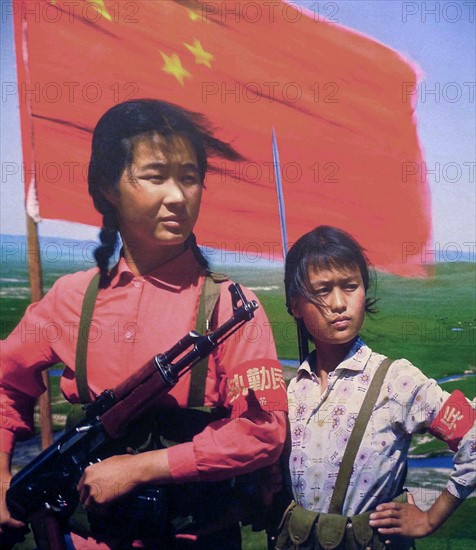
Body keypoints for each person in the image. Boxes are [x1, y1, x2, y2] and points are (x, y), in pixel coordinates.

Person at [0, 99, 287, 549]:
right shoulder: (71, 299)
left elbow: (262, 431)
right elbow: (6, 383)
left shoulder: (234, 308)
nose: (177, 196)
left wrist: (139, 468)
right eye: (155, 176)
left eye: (190, 178)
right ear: (108, 186)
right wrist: (0, 476)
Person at [277, 225, 475, 548]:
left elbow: (473, 436)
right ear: (295, 305)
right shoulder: (291, 391)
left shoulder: (397, 382)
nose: (339, 303)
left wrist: (429, 518)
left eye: (350, 286)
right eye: (323, 290)